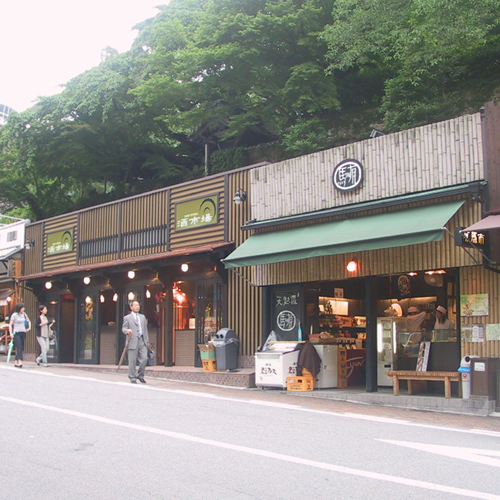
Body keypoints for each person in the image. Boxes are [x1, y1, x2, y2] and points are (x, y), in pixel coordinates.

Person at [122, 300, 150, 384]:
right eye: (135, 305)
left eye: (138, 305)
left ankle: (140, 375)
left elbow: (145, 330)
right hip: (132, 340)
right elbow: (123, 328)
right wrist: (127, 330)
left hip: (142, 340)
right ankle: (132, 377)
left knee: (144, 358)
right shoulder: (127, 318)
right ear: (131, 307)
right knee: (132, 361)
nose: (137, 307)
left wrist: (147, 340)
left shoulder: (142, 317)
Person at [9, 302, 30, 368]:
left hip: (23, 332)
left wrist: (29, 327)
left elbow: (28, 320)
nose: (24, 309)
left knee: (22, 347)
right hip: (17, 332)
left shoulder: (24, 314)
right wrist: (11, 333)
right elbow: (10, 324)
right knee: (19, 346)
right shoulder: (14, 315)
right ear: (19, 308)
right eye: (23, 307)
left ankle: (16, 360)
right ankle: (19, 360)